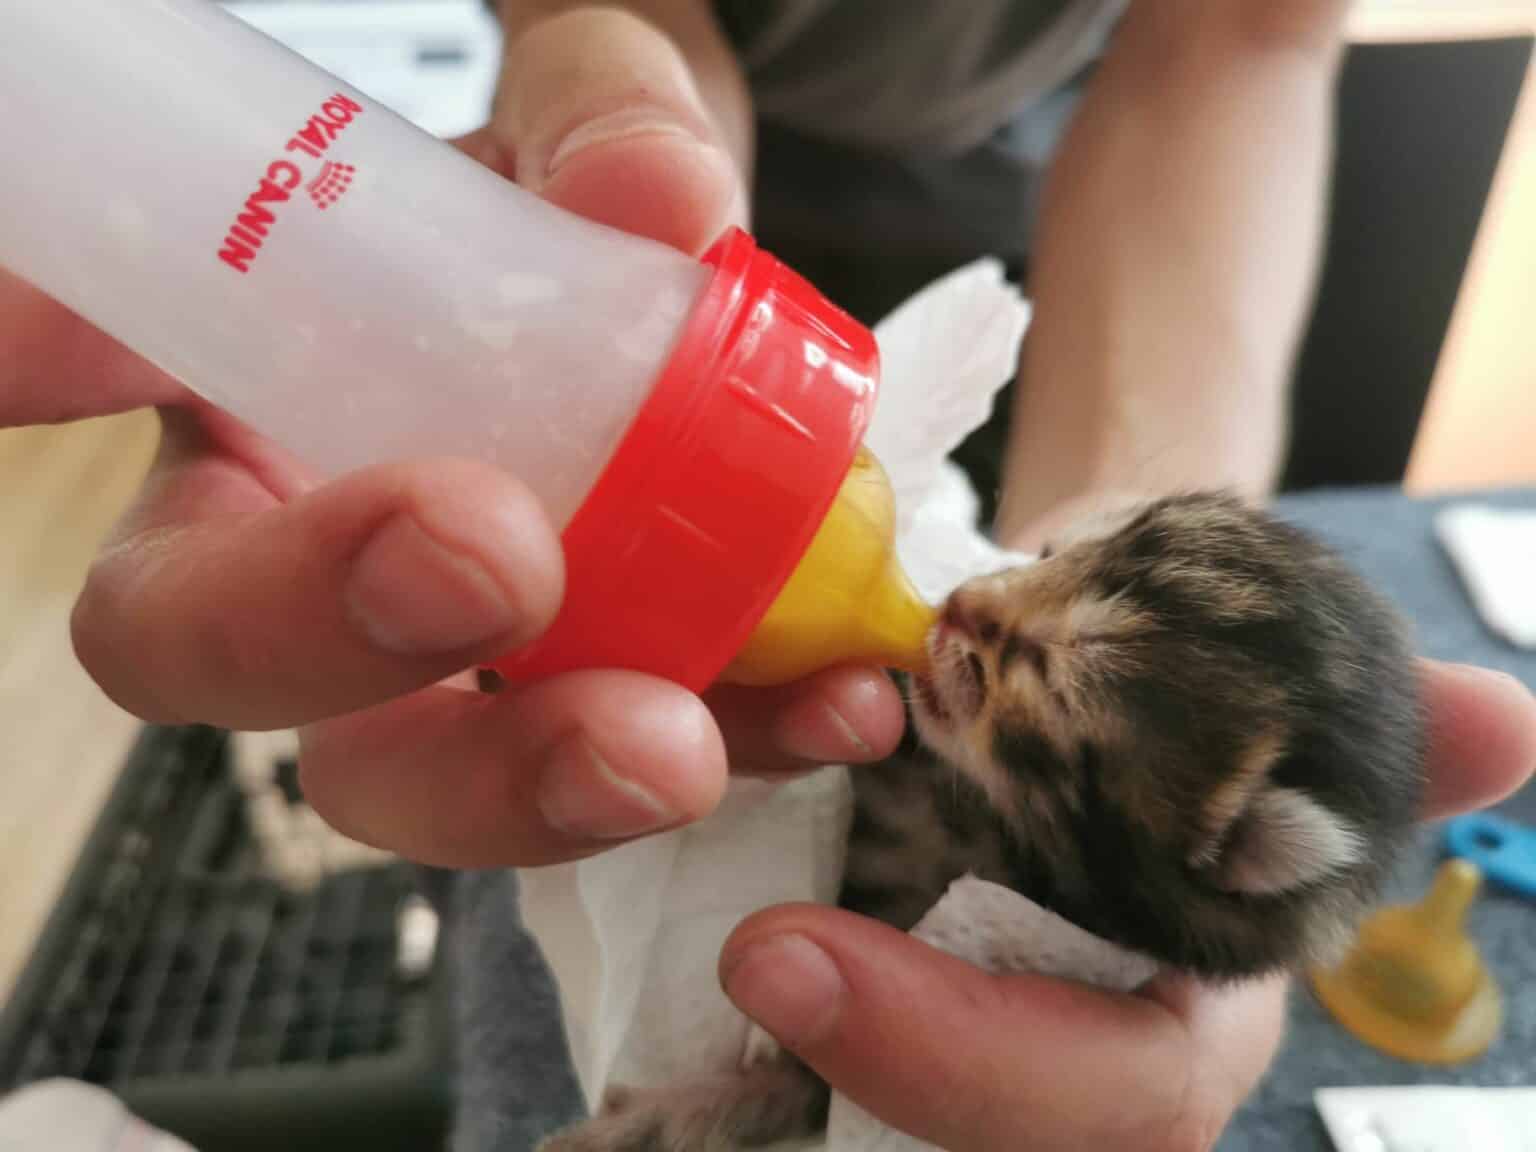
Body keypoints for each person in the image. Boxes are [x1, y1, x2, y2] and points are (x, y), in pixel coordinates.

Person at [1, 2, 1532, 1149]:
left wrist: (1097, 513)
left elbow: (1239, 45)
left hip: (1010, 198)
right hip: (644, 224)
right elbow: (630, 44)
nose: (972, 605)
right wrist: (614, 307)